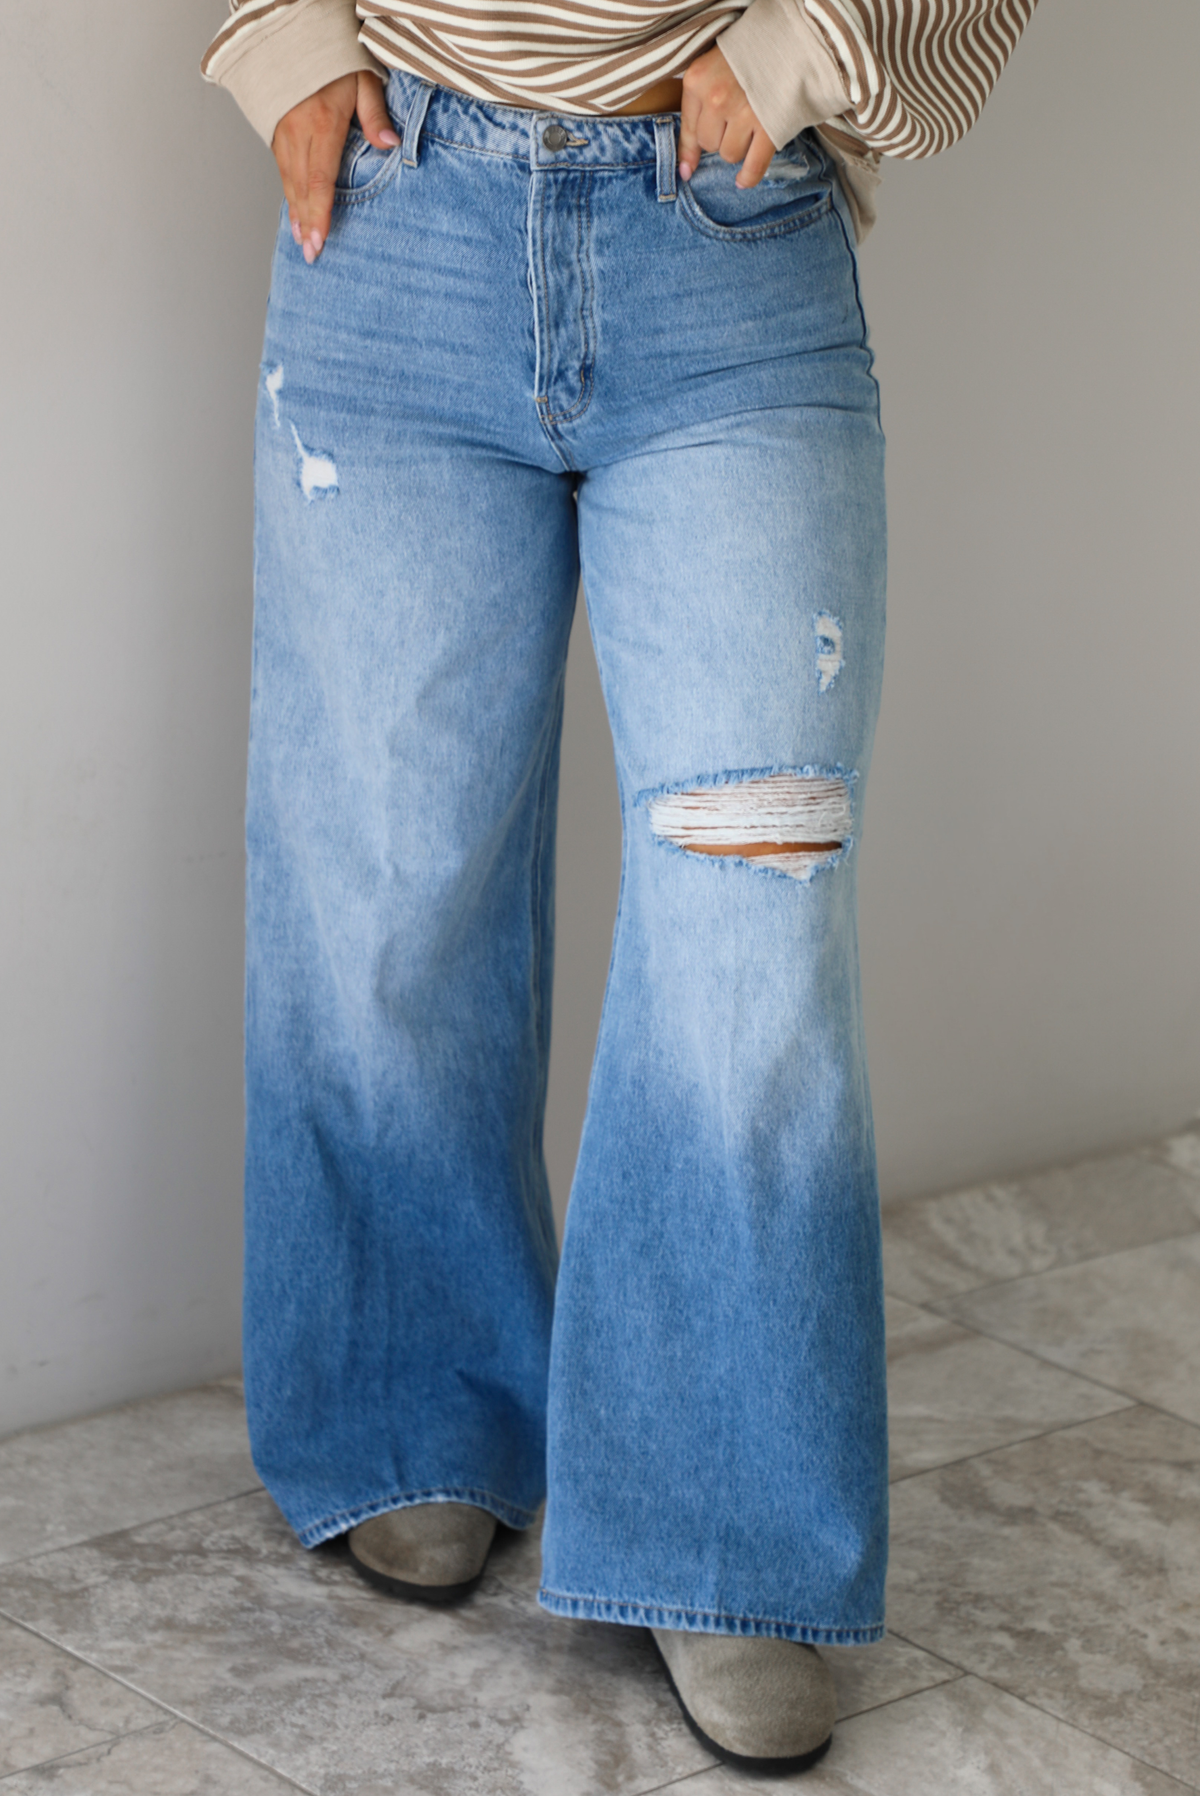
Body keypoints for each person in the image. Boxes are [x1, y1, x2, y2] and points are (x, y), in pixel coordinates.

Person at [202, 0, 1036, 1773]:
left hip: (725, 233)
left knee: (756, 903)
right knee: (383, 884)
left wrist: (814, 45)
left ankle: (728, 1544)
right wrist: (279, 39)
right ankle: (416, 1408)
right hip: (393, 214)